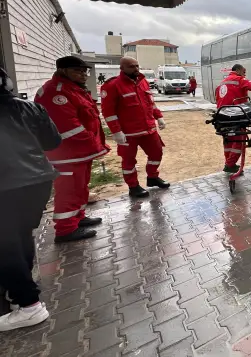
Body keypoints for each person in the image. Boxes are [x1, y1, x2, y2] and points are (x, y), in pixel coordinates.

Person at [0, 68, 60, 331]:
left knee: (6, 245)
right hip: (38, 181)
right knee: (20, 235)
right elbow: (52, 142)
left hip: (6, 185)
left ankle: (28, 304)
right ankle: (20, 289)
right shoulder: (31, 108)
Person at [35, 56, 109, 242]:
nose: (83, 74)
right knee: (69, 190)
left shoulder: (74, 89)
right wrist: (95, 145)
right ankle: (65, 229)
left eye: (84, 71)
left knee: (80, 187)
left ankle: (78, 218)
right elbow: (69, 127)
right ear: (62, 71)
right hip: (67, 153)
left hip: (80, 152)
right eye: (77, 70)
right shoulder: (55, 92)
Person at [101, 57, 169, 198]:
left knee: (157, 153)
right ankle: (133, 186)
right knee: (129, 161)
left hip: (148, 129)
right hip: (128, 133)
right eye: (131, 66)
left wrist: (159, 117)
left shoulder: (143, 82)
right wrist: (116, 131)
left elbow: (150, 103)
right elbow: (108, 112)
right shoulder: (112, 85)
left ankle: (152, 177)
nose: (136, 69)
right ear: (122, 68)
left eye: (137, 66)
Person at [216, 64, 251, 173]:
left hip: (222, 115)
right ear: (237, 70)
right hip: (236, 115)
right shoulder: (239, 79)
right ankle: (230, 164)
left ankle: (228, 163)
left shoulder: (223, 82)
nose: (244, 74)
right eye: (244, 71)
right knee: (239, 139)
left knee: (228, 140)